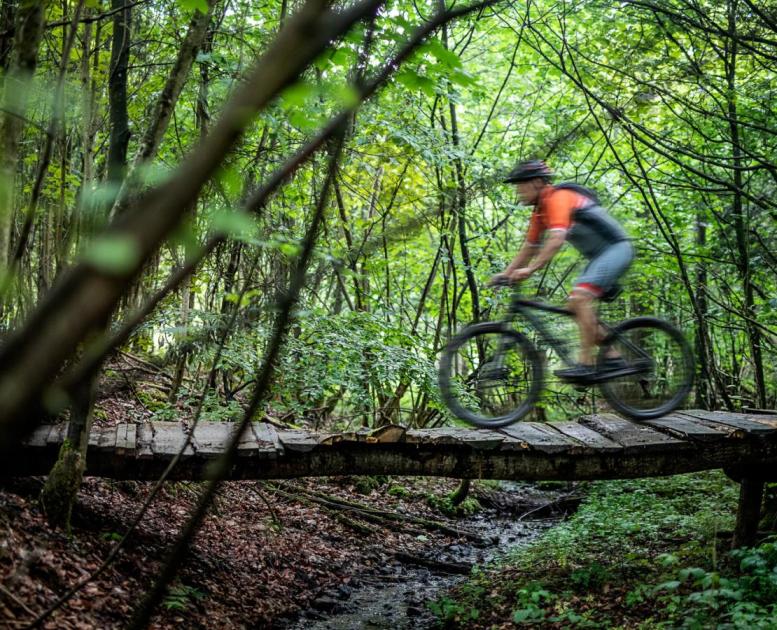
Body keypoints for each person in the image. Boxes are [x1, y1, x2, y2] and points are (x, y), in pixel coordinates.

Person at [490, 159, 634, 382]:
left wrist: (530, 270)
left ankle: (586, 364)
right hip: (599, 257)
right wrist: (506, 274)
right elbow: (529, 247)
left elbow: (556, 240)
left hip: (617, 249)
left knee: (579, 299)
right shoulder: (540, 213)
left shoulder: (558, 198)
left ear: (538, 182)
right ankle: (613, 357)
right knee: (575, 306)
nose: (517, 190)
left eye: (521, 184)